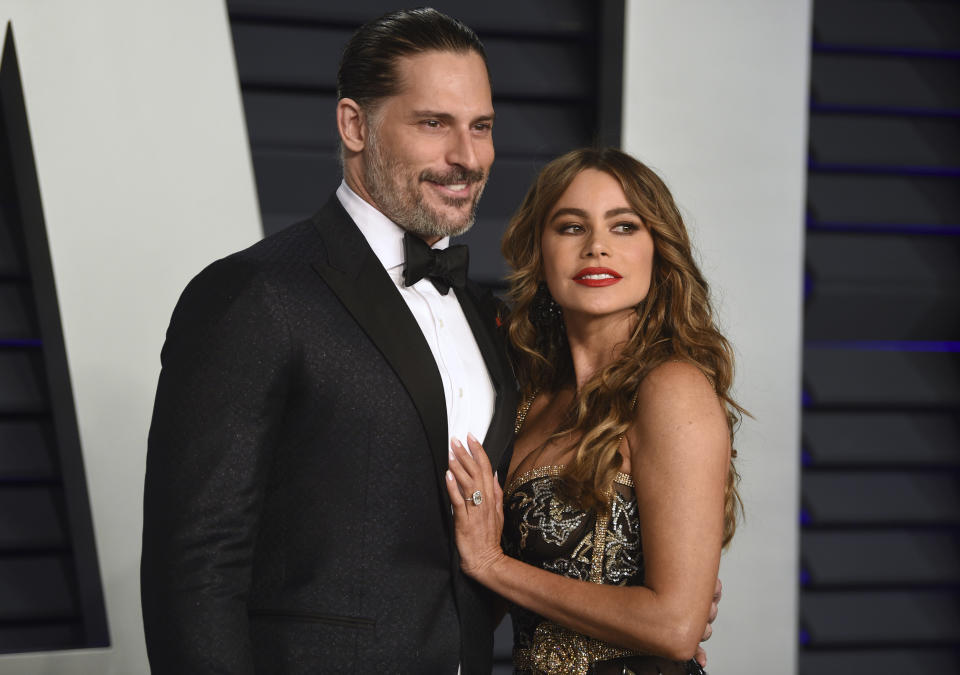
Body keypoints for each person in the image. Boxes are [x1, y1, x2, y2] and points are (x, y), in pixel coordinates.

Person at [140, 9, 518, 673]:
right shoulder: (254, 293)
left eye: (480, 126)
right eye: (434, 123)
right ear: (353, 125)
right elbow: (194, 568)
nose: (467, 156)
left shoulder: (486, 314)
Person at [444, 147, 742, 675]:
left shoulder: (671, 388)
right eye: (571, 227)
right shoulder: (527, 398)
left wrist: (494, 565)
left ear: (659, 252)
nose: (597, 247)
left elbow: (674, 627)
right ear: (541, 250)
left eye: (624, 227)